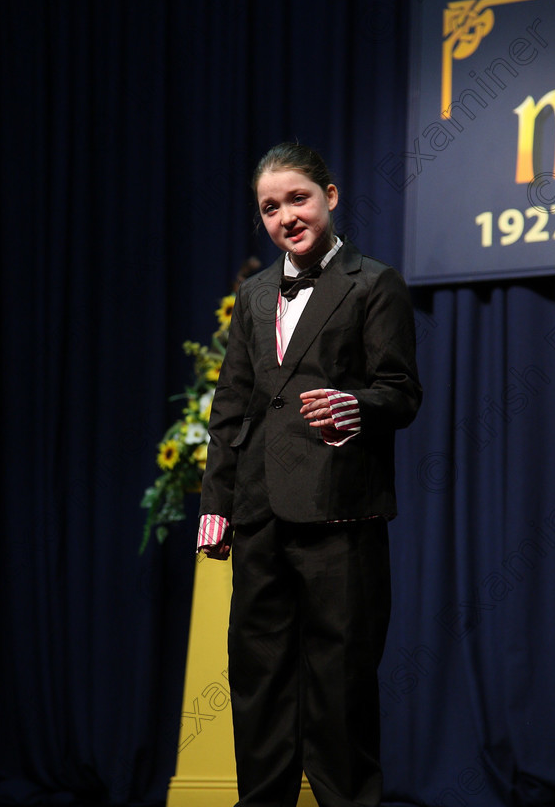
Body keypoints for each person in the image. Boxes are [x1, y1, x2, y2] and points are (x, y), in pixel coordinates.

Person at [197, 141, 422, 807]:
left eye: (297, 198)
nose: (285, 216)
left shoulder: (373, 284)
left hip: (339, 516)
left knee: (339, 688)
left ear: (331, 194)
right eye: (270, 207)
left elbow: (401, 393)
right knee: (259, 681)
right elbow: (231, 407)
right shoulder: (256, 293)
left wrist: (356, 405)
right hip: (261, 517)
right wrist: (219, 505)